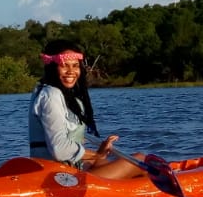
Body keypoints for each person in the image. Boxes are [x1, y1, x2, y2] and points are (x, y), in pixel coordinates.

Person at [28, 39, 145, 179]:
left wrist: (97, 156)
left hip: (62, 170)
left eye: (75, 66)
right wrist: (96, 154)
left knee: (100, 161)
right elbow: (59, 149)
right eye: (64, 66)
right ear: (52, 67)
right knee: (141, 159)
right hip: (57, 178)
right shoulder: (51, 95)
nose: (71, 72)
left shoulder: (54, 93)